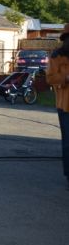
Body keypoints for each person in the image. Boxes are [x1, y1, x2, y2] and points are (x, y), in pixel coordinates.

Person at [47, 24, 69, 190]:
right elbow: (50, 78)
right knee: (68, 142)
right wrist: (66, 77)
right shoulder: (57, 56)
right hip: (65, 105)